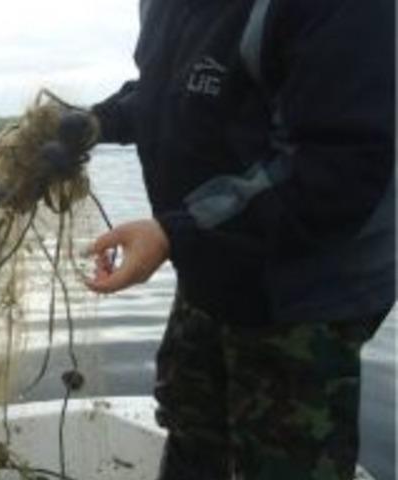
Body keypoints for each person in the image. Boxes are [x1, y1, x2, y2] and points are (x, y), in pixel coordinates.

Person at [83, 0, 395, 479]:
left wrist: (173, 232)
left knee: (284, 460)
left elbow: (334, 168)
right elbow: (170, 90)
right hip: (210, 265)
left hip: (305, 291)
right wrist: (96, 122)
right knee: (192, 426)